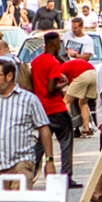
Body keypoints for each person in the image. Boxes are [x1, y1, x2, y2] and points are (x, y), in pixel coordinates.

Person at [0, 57, 56, 188]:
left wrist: (49, 160)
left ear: (9, 76)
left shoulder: (29, 100)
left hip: (21, 163)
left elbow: (44, 129)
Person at [29, 31, 77, 183]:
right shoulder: (54, 62)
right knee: (66, 142)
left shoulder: (35, 62)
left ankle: (29, 171)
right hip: (56, 108)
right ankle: (66, 176)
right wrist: (65, 83)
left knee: (43, 143)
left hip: (41, 109)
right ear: (55, 44)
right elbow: (51, 88)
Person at [61, 45, 98, 135]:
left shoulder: (60, 68)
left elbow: (62, 83)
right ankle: (86, 128)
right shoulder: (72, 64)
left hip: (82, 75)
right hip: (93, 73)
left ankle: (67, 128)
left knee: (66, 101)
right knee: (83, 103)